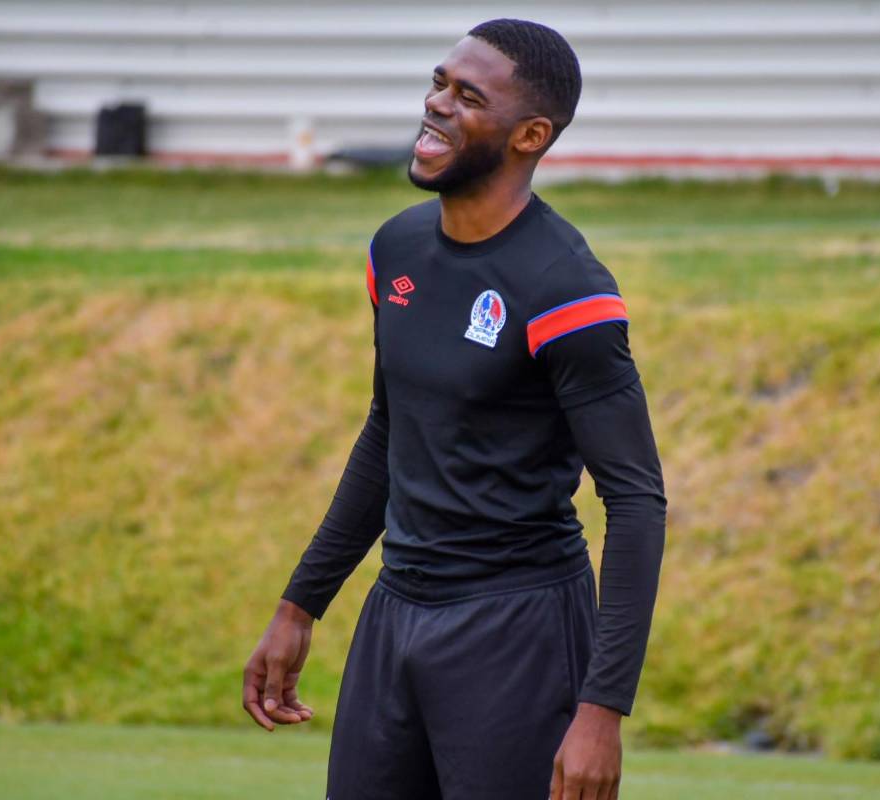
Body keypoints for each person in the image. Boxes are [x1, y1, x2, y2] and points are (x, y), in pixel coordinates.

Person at [243, 18, 667, 800]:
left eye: (467, 97)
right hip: (395, 615)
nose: (436, 104)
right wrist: (301, 604)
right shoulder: (396, 251)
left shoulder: (568, 290)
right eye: (439, 82)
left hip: (519, 634)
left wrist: (601, 710)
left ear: (529, 135)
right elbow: (388, 431)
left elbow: (637, 502)